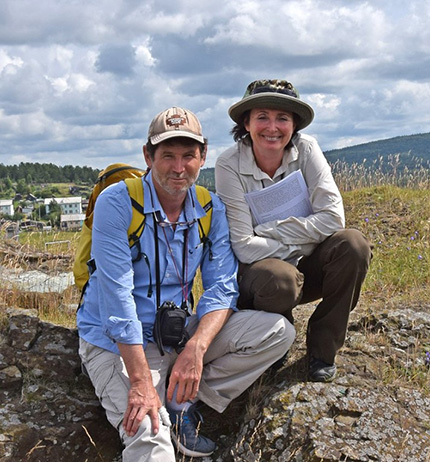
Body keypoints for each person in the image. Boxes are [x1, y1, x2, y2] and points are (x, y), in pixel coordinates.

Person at [77, 106, 295, 461]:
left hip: (174, 335)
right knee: (151, 442)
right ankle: (161, 410)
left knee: (276, 332)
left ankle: (181, 405)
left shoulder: (211, 209)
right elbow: (116, 299)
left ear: (203, 155)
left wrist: (195, 349)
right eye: (167, 156)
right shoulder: (117, 203)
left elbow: (222, 287)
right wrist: (140, 383)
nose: (179, 169)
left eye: (188, 156)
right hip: (115, 342)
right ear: (148, 156)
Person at [215, 80, 372, 383]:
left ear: (294, 124)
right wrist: (302, 242)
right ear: (246, 123)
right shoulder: (228, 165)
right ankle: (276, 341)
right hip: (264, 278)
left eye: (283, 118)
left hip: (305, 264)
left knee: (353, 245)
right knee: (280, 278)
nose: (272, 127)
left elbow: (333, 220)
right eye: (262, 116)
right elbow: (244, 247)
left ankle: (323, 348)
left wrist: (268, 230)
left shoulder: (307, 148)